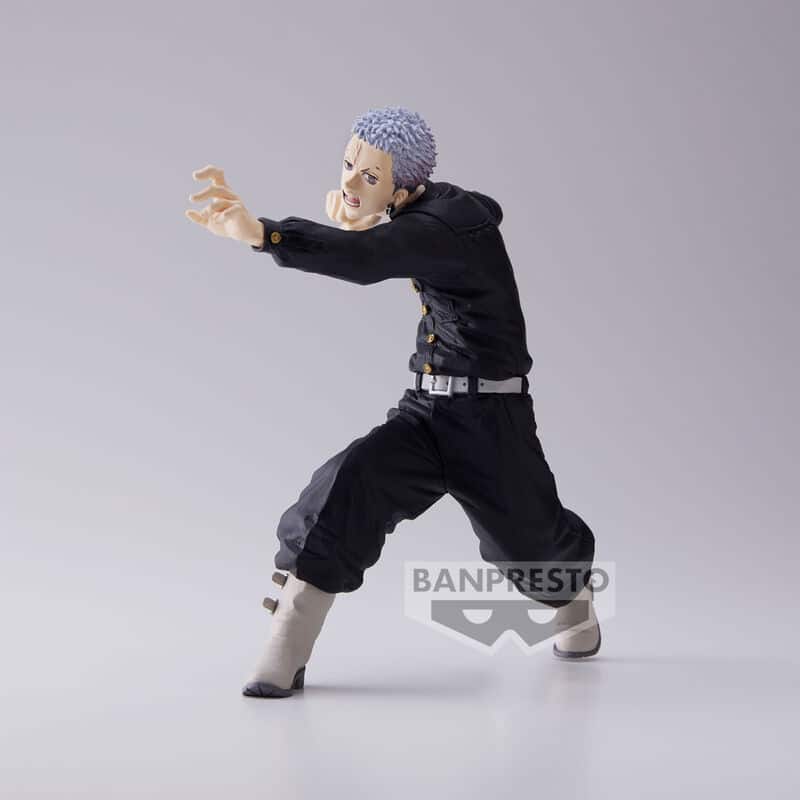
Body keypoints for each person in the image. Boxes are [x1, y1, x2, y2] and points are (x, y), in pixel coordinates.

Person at [185, 106, 601, 698]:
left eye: (370, 176)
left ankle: (573, 602)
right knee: (345, 488)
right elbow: (393, 239)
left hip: (491, 420)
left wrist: (264, 234)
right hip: (427, 412)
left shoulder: (445, 227)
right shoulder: (428, 208)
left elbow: (368, 261)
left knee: (529, 543)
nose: (350, 182)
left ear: (403, 186)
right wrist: (367, 217)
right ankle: (286, 647)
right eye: (349, 165)